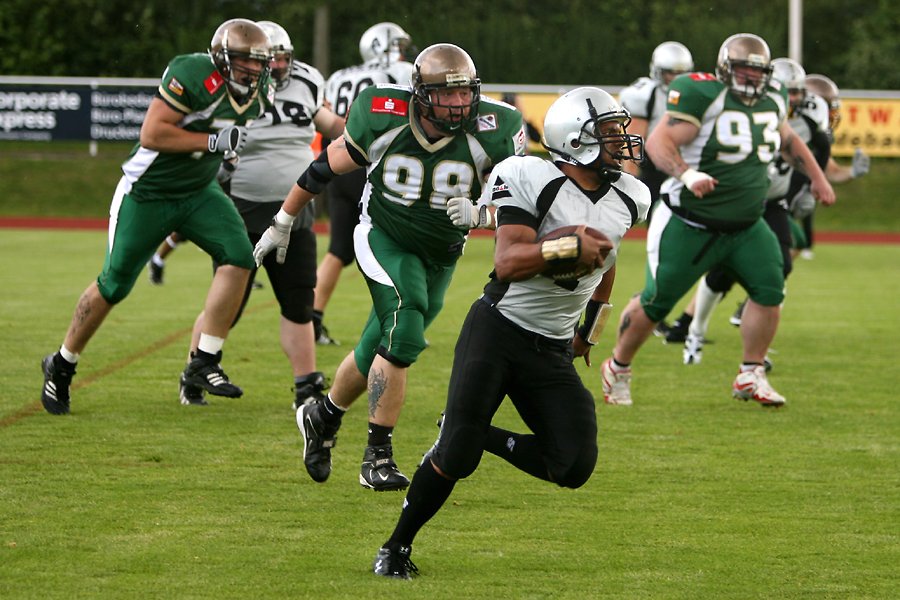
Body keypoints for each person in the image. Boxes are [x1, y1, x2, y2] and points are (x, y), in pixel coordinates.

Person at [370, 87, 649, 579]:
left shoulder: (630, 195)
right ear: (575, 138)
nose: (620, 141)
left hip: (552, 346)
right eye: (608, 132)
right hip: (499, 332)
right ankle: (395, 547)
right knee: (456, 455)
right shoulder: (529, 175)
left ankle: (483, 436)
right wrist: (566, 249)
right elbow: (507, 262)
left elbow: (606, 262)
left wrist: (591, 330)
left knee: (573, 463)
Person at [252, 43, 526, 490]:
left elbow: (519, 203)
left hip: (441, 253)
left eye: (465, 93)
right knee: (405, 329)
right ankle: (376, 456)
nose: (459, 103)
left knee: (377, 346)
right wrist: (283, 220)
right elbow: (324, 167)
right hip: (384, 237)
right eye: (447, 94)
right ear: (422, 94)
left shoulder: (497, 127)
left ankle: (322, 416)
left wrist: (483, 214)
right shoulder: (383, 115)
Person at [40, 18, 272, 415]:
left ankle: (204, 359)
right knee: (114, 284)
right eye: (243, 61)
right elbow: (152, 133)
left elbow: (228, 134)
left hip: (198, 191)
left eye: (258, 63)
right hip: (148, 192)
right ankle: (62, 363)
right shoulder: (193, 73)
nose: (253, 70)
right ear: (221, 58)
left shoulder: (261, 92)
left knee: (240, 256)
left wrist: (224, 157)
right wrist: (212, 142)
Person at [600, 33, 834, 408]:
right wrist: (687, 174)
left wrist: (819, 179)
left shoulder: (773, 98)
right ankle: (618, 366)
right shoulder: (703, 94)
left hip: (747, 224)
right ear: (725, 68)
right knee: (657, 303)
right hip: (690, 221)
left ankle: (751, 372)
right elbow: (658, 142)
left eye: (757, 71)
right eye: (743, 69)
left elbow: (789, 140)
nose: (750, 78)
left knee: (770, 290)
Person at [178, 21, 345, 407]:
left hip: (296, 210)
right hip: (241, 207)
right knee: (229, 304)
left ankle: (305, 385)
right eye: (273, 60)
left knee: (299, 302)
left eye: (285, 58)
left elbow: (328, 123)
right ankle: (194, 372)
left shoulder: (306, 81)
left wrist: (356, 127)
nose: (280, 66)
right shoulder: (234, 87)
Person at [679, 57, 834, 366]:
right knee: (720, 273)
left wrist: (810, 185)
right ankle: (694, 330)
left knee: (780, 267)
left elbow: (818, 149)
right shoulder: (739, 108)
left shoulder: (809, 117)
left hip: (773, 201)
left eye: (797, 92)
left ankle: (755, 353)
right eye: (788, 91)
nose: (792, 99)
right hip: (741, 200)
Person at [312, 22, 415, 346]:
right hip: (374, 166)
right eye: (398, 46)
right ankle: (395, 322)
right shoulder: (400, 71)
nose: (403, 52)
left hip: (340, 162)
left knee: (338, 251)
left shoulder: (339, 76)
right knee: (393, 246)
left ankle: (311, 318)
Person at [619, 42, 694, 343]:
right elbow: (634, 143)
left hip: (677, 168)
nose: (674, 79)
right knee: (662, 244)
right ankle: (650, 305)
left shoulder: (691, 93)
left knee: (676, 243)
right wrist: (629, 182)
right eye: (669, 73)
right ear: (657, 71)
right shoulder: (645, 94)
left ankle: (652, 304)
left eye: (680, 73)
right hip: (651, 170)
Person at [794, 73, 871, 259]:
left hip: (784, 206)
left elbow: (829, 171)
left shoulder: (818, 139)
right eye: (828, 107)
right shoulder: (789, 132)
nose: (832, 115)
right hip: (765, 203)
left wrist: (852, 172)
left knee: (795, 245)